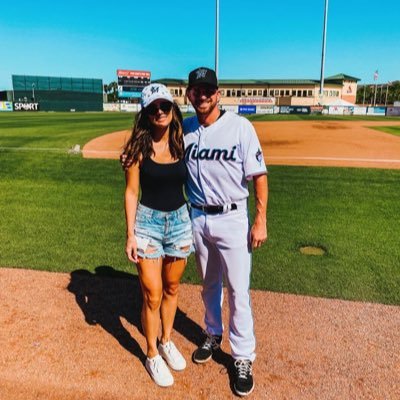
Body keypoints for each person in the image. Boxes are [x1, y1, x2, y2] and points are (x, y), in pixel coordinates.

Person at [184, 67, 268, 397]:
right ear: (189, 95)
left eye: (208, 90)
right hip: (198, 218)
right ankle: (212, 333)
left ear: (218, 94)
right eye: (196, 90)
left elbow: (259, 175)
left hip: (233, 218)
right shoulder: (186, 130)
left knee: (237, 290)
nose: (202, 95)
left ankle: (243, 356)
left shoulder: (240, 128)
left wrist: (260, 220)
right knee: (208, 284)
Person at [123, 83, 193, 387]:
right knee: (151, 293)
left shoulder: (184, 141)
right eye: (153, 109)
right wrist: (130, 234)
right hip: (148, 224)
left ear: (172, 108)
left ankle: (166, 340)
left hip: (180, 221)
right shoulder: (137, 148)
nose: (159, 112)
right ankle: (152, 354)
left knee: (172, 287)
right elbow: (131, 191)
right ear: (146, 114)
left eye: (164, 106)